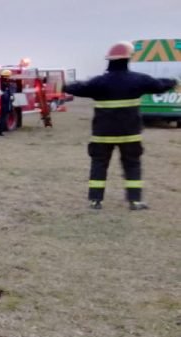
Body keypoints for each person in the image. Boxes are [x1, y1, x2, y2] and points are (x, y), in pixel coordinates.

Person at [64, 41, 177, 210]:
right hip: (130, 134)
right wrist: (173, 81)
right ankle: (135, 201)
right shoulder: (138, 80)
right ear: (128, 59)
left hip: (102, 135)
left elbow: (78, 88)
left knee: (99, 165)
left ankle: (95, 200)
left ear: (109, 61)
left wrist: (65, 85)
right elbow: (159, 85)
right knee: (132, 165)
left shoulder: (99, 82)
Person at [0, 69, 14, 136]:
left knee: (0, 118)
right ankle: (0, 132)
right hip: (4, 104)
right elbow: (6, 95)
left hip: (2, 104)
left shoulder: (1, 82)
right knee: (2, 118)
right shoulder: (4, 84)